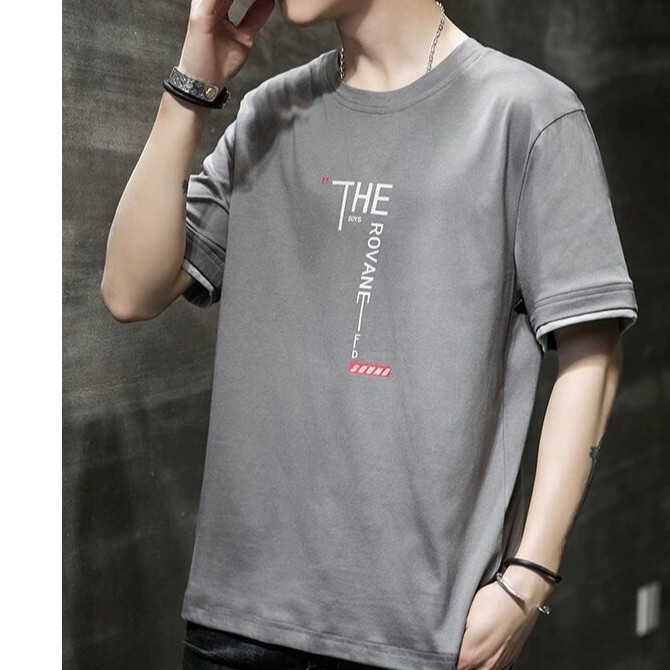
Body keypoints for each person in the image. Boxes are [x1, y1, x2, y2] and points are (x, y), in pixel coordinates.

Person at [101, 1, 639, 668]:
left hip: (419, 634)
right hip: (236, 624)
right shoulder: (270, 113)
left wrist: (529, 577)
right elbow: (130, 291)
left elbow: (593, 355)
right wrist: (192, 85)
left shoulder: (525, 113)